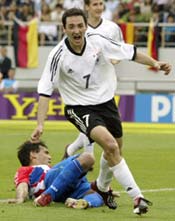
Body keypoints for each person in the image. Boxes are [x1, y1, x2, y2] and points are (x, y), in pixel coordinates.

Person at [31, 8, 171, 214]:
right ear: (64, 29)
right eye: (71, 27)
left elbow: (130, 52)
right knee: (111, 145)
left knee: (115, 151)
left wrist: (155, 63)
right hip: (79, 107)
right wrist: (40, 123)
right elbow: (45, 90)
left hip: (106, 103)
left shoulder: (98, 40)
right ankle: (137, 197)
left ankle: (102, 188)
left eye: (80, 25)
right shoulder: (57, 55)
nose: (77, 30)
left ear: (85, 26)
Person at [62, 0, 124, 160]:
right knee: (92, 121)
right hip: (82, 84)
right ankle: (87, 155)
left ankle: (72, 149)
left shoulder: (112, 28)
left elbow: (120, 50)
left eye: (101, 4)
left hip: (104, 83)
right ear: (87, 7)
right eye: (95, 4)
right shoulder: (77, 27)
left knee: (99, 125)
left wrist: (115, 60)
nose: (99, 8)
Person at [0, 140, 116, 209]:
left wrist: (103, 188)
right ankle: (48, 195)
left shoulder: (52, 169)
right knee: (87, 157)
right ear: (33, 154)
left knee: (100, 194)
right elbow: (22, 185)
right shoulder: (27, 169)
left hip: (67, 190)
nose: (50, 157)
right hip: (49, 183)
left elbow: (65, 175)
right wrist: (20, 198)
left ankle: (83, 203)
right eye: (46, 153)